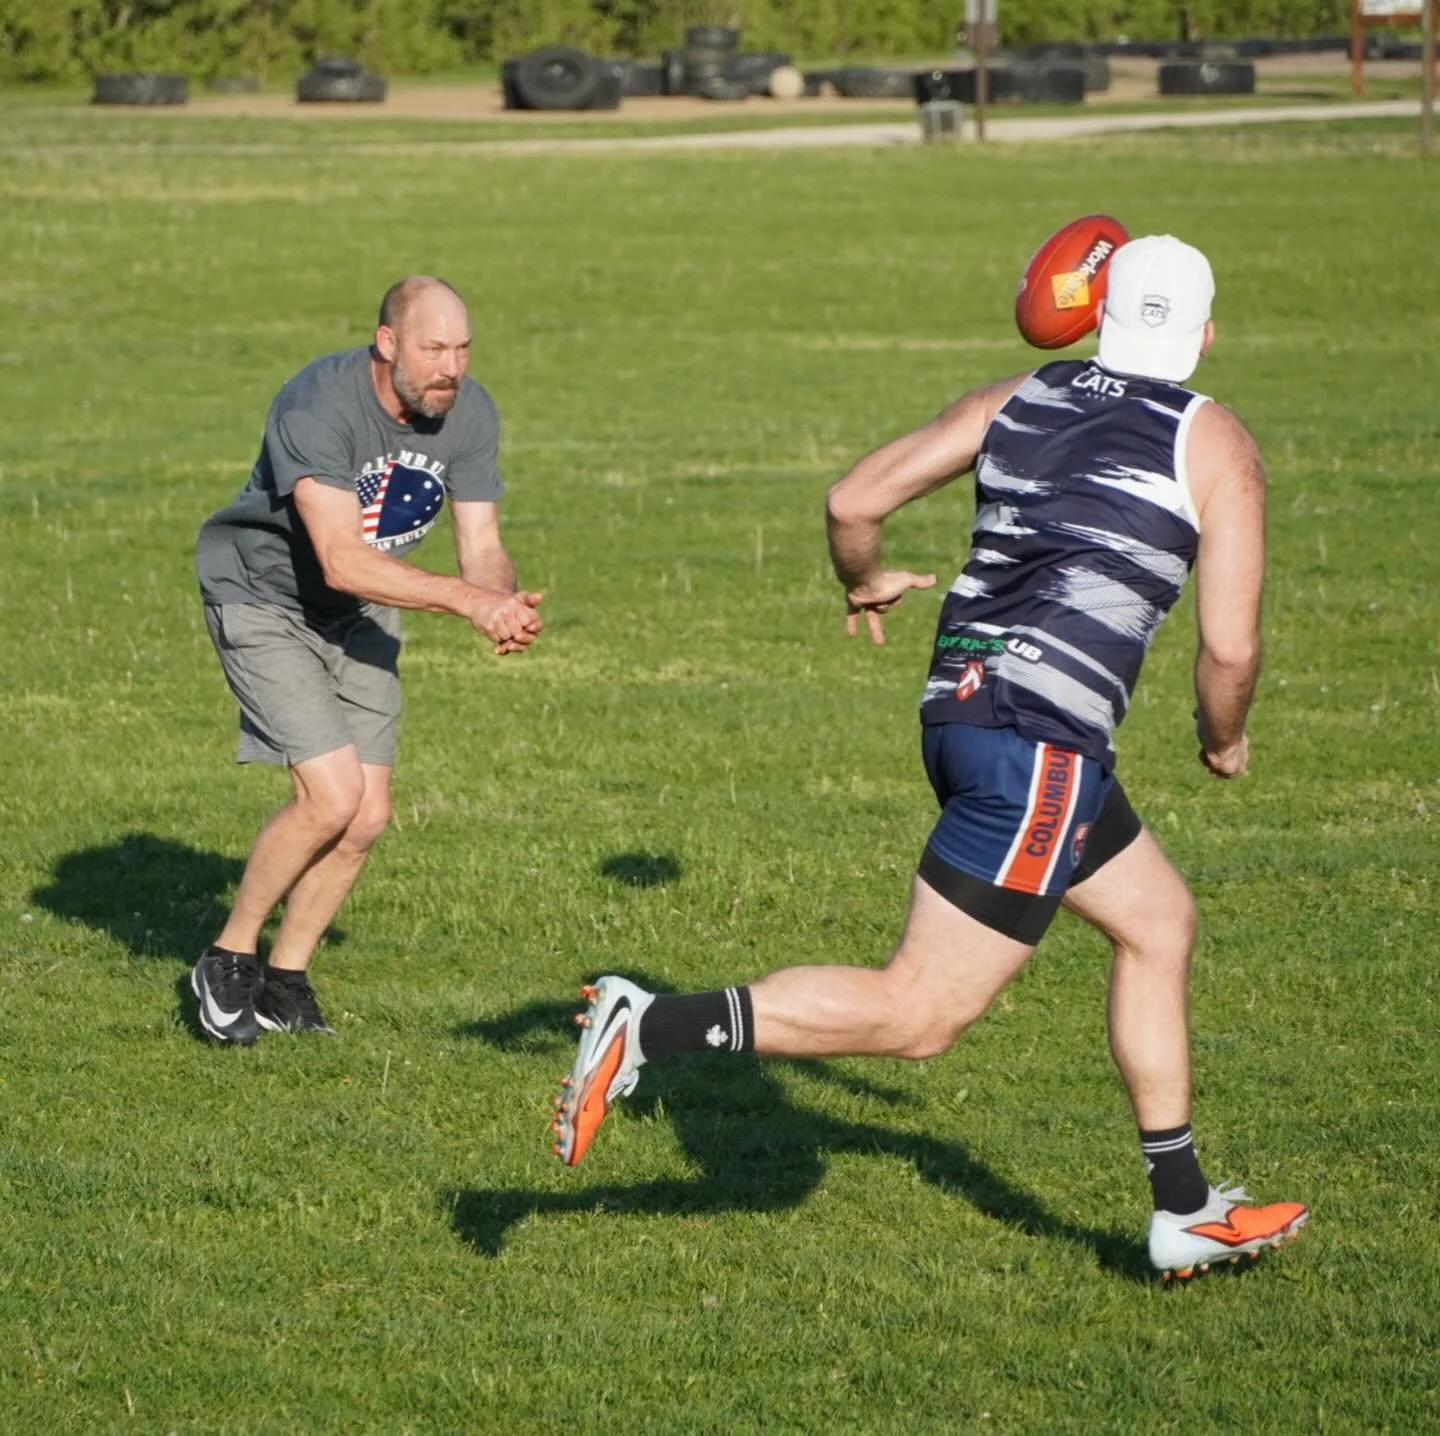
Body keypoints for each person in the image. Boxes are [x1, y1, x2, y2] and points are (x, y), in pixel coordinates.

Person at [551, 236, 1306, 1280]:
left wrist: (860, 582)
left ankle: (1183, 1205)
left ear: (1097, 319)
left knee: (1158, 919)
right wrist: (1224, 736)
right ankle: (652, 1024)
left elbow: (852, 501)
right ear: (1208, 334)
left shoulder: (1020, 395)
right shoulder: (1213, 440)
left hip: (960, 715)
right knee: (921, 1015)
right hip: (1042, 748)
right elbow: (1231, 646)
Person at [192, 276, 542, 1046]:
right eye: (433, 349)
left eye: (462, 348)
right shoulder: (318, 405)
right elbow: (343, 559)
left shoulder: (467, 410)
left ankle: (285, 980)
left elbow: (481, 547)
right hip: (264, 599)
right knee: (330, 796)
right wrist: (463, 601)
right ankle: (227, 957)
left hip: (361, 612)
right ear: (387, 344)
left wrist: (501, 603)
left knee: (367, 816)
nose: (451, 367)